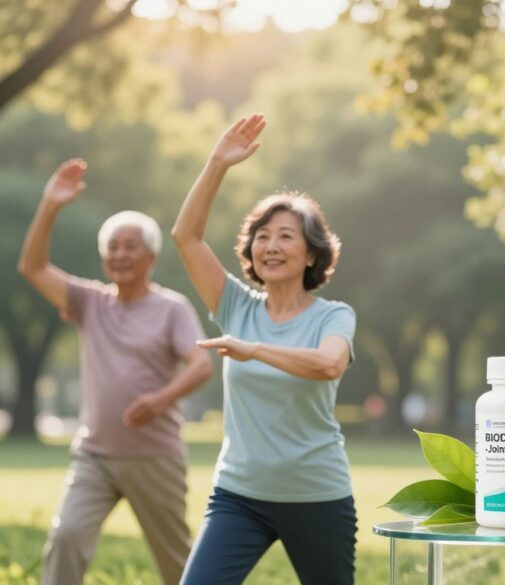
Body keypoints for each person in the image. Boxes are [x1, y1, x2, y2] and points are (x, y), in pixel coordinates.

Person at [172, 114, 358, 585]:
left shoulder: (333, 316)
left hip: (318, 496)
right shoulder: (234, 304)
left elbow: (329, 364)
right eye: (262, 236)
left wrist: (253, 349)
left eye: (286, 236)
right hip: (239, 496)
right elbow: (186, 237)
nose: (270, 246)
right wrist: (217, 163)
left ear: (312, 254)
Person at [17, 159, 212, 585]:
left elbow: (201, 364)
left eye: (130, 246)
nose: (120, 254)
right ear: (104, 258)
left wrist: (161, 400)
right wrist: (50, 205)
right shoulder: (90, 302)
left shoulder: (171, 308)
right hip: (95, 455)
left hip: (155, 458)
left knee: (177, 563)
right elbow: (32, 268)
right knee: (66, 536)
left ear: (151, 256)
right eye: (113, 248)